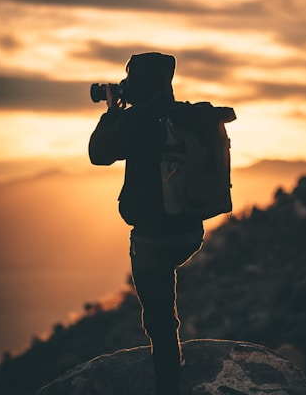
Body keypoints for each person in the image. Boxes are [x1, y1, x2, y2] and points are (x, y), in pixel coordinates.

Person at [88, 52, 204, 395]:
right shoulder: (182, 114)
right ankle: (173, 364)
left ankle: (168, 383)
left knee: (160, 321)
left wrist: (112, 112)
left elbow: (98, 153)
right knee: (165, 298)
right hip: (190, 231)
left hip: (153, 238)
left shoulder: (136, 119)